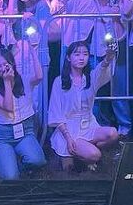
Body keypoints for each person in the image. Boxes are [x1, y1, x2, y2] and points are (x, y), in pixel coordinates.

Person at [47, 40, 120, 170]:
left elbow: (102, 71)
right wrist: (68, 138)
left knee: (113, 133)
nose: (81, 58)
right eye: (77, 54)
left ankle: (84, 150)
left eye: (85, 54)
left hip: (88, 125)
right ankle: (81, 154)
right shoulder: (59, 82)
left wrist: (108, 58)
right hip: (69, 129)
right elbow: (56, 113)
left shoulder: (90, 78)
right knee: (94, 155)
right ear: (68, 57)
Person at [0, 48, 47, 179]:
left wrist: (33, 52)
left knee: (38, 161)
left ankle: (16, 161)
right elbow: (8, 107)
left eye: (5, 64)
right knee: (10, 178)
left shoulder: (24, 79)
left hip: (25, 131)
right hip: (3, 136)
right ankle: (5, 159)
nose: (3, 68)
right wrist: (7, 82)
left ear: (12, 63)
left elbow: (39, 77)